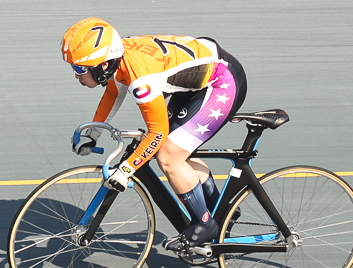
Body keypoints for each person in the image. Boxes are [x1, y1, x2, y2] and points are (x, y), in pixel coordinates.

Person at [61, 19, 247, 245]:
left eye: (80, 69)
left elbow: (157, 131)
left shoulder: (141, 80)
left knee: (169, 156)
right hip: (199, 76)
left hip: (221, 82)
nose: (76, 75)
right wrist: (93, 132)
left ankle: (205, 224)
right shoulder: (118, 59)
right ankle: (222, 211)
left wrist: (127, 169)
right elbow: (113, 93)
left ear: (103, 65)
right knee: (178, 149)